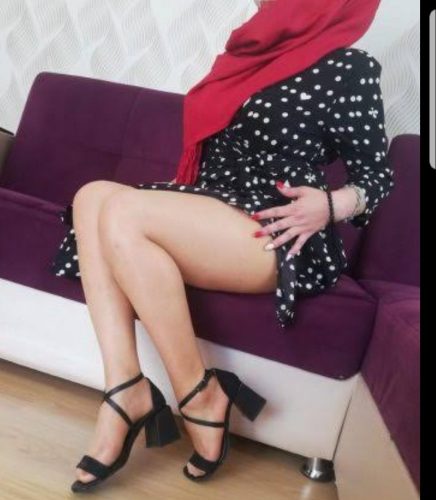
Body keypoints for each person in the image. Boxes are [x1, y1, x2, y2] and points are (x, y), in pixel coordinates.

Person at [50, 0, 393, 492]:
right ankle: (125, 388)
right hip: (215, 204)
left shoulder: (348, 67)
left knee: (122, 211)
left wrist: (330, 205)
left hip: (279, 227)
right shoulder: (245, 54)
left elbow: (377, 177)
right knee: (92, 198)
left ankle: (199, 394)